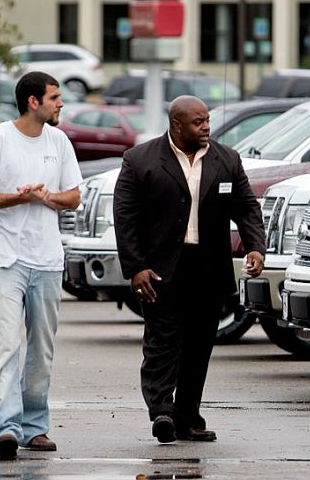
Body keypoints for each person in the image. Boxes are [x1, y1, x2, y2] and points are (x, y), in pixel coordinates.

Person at [113, 95, 265, 443]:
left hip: (209, 268)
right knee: (162, 342)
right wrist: (136, 267)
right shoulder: (140, 160)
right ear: (176, 125)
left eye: (207, 120)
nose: (206, 127)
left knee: (199, 345)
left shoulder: (227, 159)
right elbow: (126, 219)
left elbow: (246, 208)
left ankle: (187, 415)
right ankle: (162, 410)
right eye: (198, 122)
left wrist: (255, 246)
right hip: (161, 269)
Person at [0, 71, 82, 460]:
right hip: (5, 259)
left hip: (48, 259)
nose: (60, 104)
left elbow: (74, 196)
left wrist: (46, 196)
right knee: (5, 344)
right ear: (33, 102)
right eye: (54, 97)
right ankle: (4, 428)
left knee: (42, 348)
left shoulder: (60, 141)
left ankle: (35, 427)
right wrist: (18, 199)